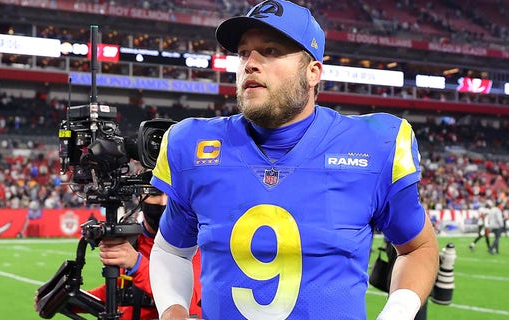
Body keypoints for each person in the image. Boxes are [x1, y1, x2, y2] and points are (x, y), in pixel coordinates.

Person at [148, 1, 439, 319]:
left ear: (313, 72)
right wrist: (173, 310)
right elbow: (171, 250)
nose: (251, 64)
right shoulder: (193, 144)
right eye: (244, 52)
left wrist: (397, 311)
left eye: (270, 51)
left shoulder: (374, 143)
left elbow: (418, 247)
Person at [35, 188, 202, 320]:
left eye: (172, 194)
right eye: (155, 192)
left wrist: (137, 264)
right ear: (140, 195)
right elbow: (120, 293)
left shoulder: (193, 245)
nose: (164, 202)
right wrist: (66, 298)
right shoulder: (133, 240)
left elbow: (193, 310)